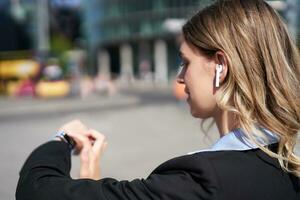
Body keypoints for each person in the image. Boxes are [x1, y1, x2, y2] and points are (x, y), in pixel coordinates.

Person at [16, 0, 300, 199]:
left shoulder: (203, 180)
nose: (180, 77)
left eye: (185, 62)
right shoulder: (285, 167)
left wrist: (62, 139)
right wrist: (91, 184)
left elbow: (38, 190)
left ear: (220, 66)